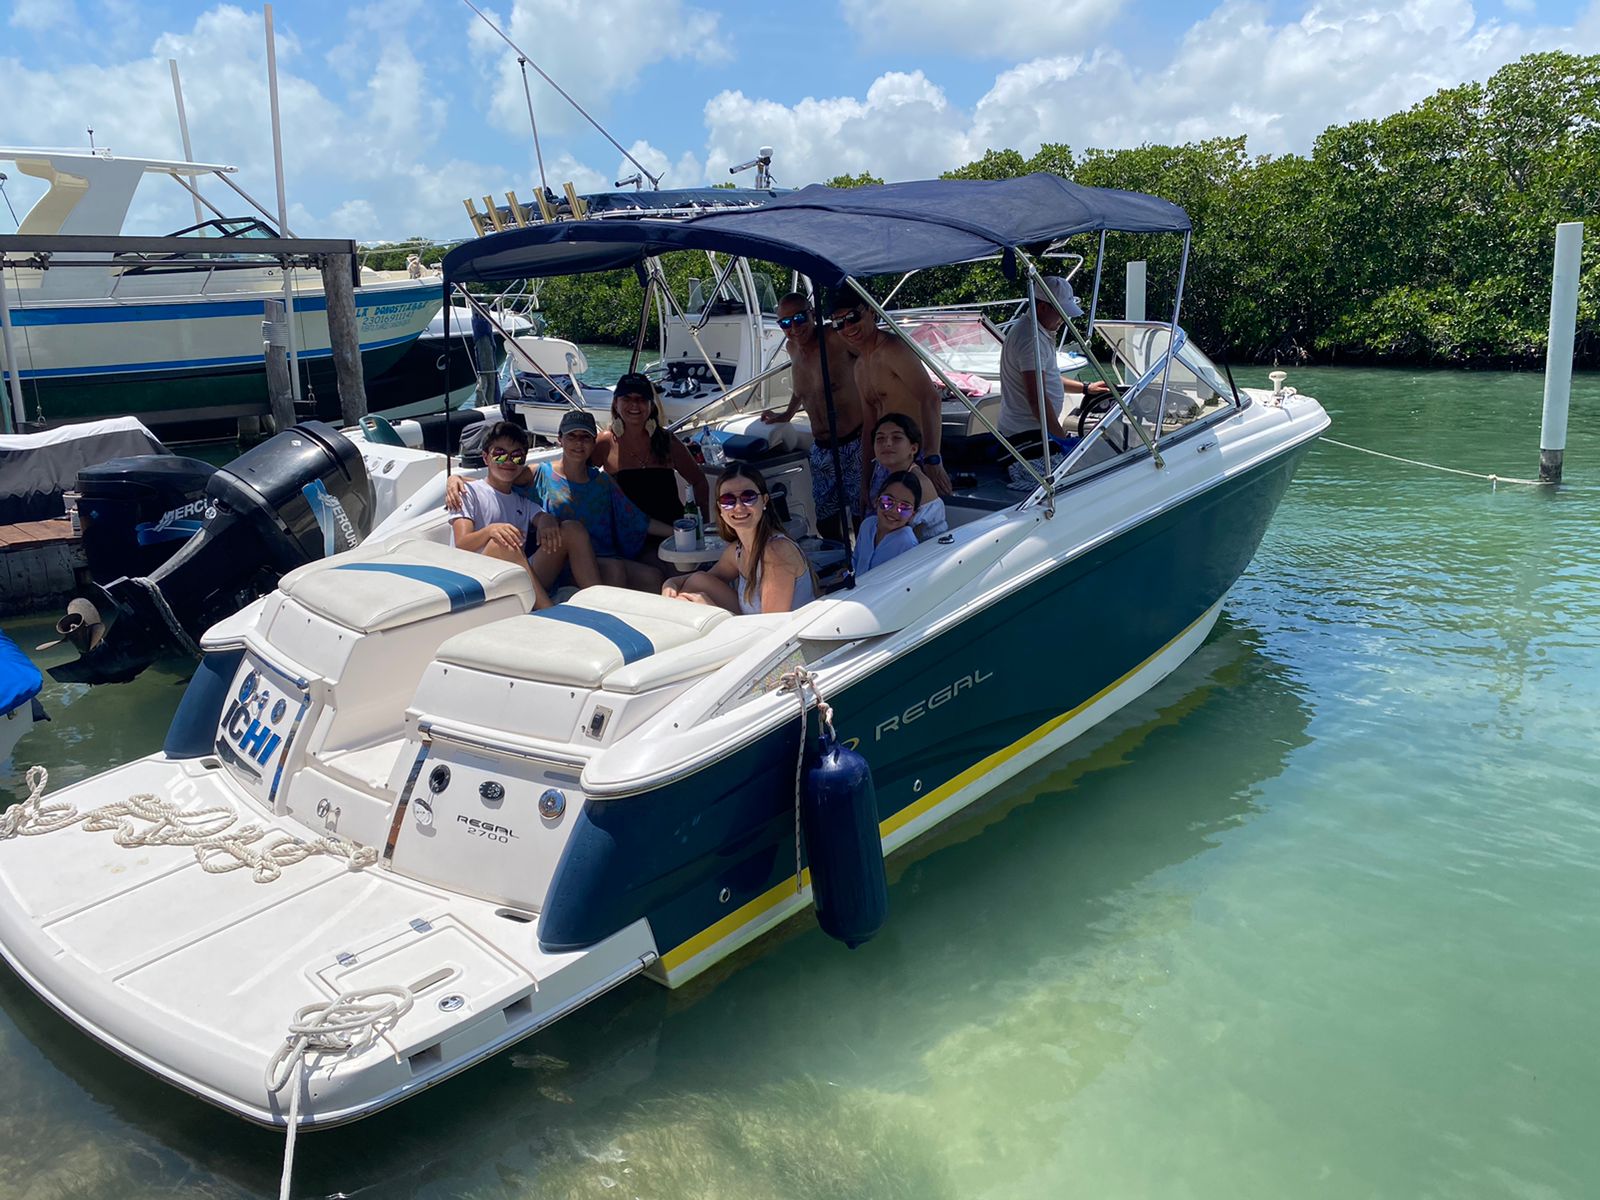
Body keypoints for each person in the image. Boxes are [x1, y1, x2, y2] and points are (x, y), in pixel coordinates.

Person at [447, 420, 602, 609]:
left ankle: (599, 605)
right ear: (486, 457)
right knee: (503, 543)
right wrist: (491, 531)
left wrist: (547, 522)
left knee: (572, 529)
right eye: (500, 454)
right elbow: (462, 544)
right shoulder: (466, 492)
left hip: (516, 579)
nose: (509, 461)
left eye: (517, 456)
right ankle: (548, 612)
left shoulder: (522, 501)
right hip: (477, 578)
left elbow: (542, 516)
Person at [829, 296, 952, 505]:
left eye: (853, 317)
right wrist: (865, 481)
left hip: (914, 459)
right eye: (838, 323)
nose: (847, 327)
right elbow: (869, 425)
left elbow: (930, 398)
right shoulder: (860, 366)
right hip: (885, 461)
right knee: (874, 522)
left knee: (916, 528)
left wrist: (933, 458)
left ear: (871, 312)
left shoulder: (894, 350)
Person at [759, 293, 863, 539]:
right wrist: (787, 413)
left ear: (813, 315)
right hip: (822, 448)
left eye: (799, 318)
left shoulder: (835, 338)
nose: (794, 328)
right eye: (785, 323)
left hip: (855, 442)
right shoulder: (791, 347)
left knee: (863, 517)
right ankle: (839, 571)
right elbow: (804, 388)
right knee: (826, 520)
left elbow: (873, 356)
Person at [529, 409, 668, 593]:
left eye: (585, 437)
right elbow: (500, 486)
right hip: (563, 562)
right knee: (614, 571)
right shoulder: (539, 474)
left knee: (653, 577)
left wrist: (679, 532)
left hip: (603, 556)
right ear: (560, 439)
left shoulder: (603, 481)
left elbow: (636, 520)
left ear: (594, 442)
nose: (579, 442)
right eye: (572, 436)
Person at [663, 464, 818, 614]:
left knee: (693, 600)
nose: (738, 507)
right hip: (755, 629)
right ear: (720, 510)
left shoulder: (776, 551)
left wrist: (714, 613)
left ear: (764, 501)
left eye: (748, 497)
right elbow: (696, 580)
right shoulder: (737, 551)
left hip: (782, 636)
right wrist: (670, 584)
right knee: (696, 583)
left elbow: (773, 628)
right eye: (728, 501)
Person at [997, 276, 1112, 454]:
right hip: (1027, 436)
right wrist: (1062, 441)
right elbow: (1037, 400)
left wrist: (1086, 388)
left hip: (1031, 431)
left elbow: (1045, 379)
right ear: (1043, 307)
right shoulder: (1031, 340)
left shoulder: (1036, 331)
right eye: (1061, 312)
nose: (1064, 319)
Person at [594, 372, 710, 523]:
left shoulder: (667, 440)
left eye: (641, 399)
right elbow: (578, 478)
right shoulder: (605, 442)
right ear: (616, 403)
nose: (634, 404)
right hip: (629, 535)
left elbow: (699, 481)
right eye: (626, 398)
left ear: (651, 405)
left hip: (672, 532)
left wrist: (704, 525)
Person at [866, 413, 947, 539]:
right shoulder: (887, 474)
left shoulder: (917, 483)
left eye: (897, 438)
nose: (887, 444)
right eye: (880, 439)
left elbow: (911, 541)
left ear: (913, 448)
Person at [854, 470, 922, 576]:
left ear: (912, 515)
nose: (893, 510)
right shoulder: (867, 525)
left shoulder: (908, 544)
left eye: (904, 507)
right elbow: (855, 561)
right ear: (877, 501)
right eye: (888, 501)